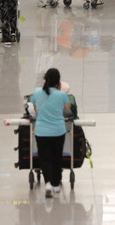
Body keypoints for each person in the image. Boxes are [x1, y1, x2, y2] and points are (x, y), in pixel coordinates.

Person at [29, 68, 71, 198]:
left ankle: (47, 184)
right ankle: (56, 184)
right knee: (57, 157)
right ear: (58, 81)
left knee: (45, 158)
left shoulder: (37, 93)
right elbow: (68, 109)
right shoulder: (62, 95)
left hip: (42, 132)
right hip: (58, 131)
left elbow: (35, 109)